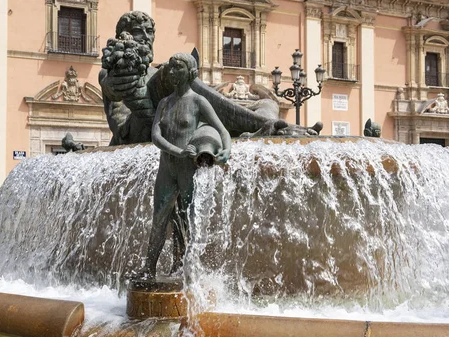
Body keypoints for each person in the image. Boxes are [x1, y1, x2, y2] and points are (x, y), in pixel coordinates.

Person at [99, 11, 322, 146]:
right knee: (177, 67)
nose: (147, 38)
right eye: (139, 31)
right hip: (141, 130)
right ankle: (271, 126)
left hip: (181, 121)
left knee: (267, 102)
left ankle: (258, 128)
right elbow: (120, 119)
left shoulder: (157, 71)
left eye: (150, 32)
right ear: (124, 35)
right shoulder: (115, 68)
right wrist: (121, 82)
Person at [139, 53, 231, 280]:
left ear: (190, 72)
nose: (171, 72)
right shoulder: (164, 103)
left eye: (176, 68)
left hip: (187, 170)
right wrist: (177, 151)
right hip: (167, 168)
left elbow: (223, 130)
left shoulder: (198, 101)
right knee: (159, 219)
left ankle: (185, 268)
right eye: (170, 68)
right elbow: (155, 135)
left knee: (188, 219)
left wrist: (226, 150)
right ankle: (149, 267)